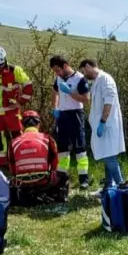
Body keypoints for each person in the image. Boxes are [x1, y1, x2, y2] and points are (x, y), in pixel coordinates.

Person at [0, 45, 33, 168]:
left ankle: (20, 163)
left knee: (17, 136)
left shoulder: (15, 70)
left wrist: (20, 102)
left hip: (12, 111)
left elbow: (28, 86)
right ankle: (1, 164)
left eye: (0, 64)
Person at [78, 59, 126, 189]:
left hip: (107, 126)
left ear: (88, 66)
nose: (84, 75)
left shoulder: (105, 79)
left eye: (84, 72)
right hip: (102, 125)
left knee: (109, 157)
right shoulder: (97, 82)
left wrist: (103, 122)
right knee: (106, 156)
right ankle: (109, 186)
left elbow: (108, 102)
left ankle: (122, 186)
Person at [8, 110, 69, 205]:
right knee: (63, 174)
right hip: (43, 181)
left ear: (22, 125)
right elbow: (55, 159)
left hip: (23, 183)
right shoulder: (47, 138)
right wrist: (52, 171)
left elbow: (12, 165)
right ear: (38, 124)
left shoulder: (14, 142)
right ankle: (59, 197)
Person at [50, 55, 91, 189]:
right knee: (62, 149)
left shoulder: (80, 79)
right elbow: (55, 91)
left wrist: (71, 93)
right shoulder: (58, 78)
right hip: (62, 115)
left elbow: (86, 99)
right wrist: (55, 107)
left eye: (57, 70)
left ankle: (84, 179)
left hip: (76, 115)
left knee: (80, 148)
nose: (56, 73)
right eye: (54, 71)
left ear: (65, 65)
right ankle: (62, 178)